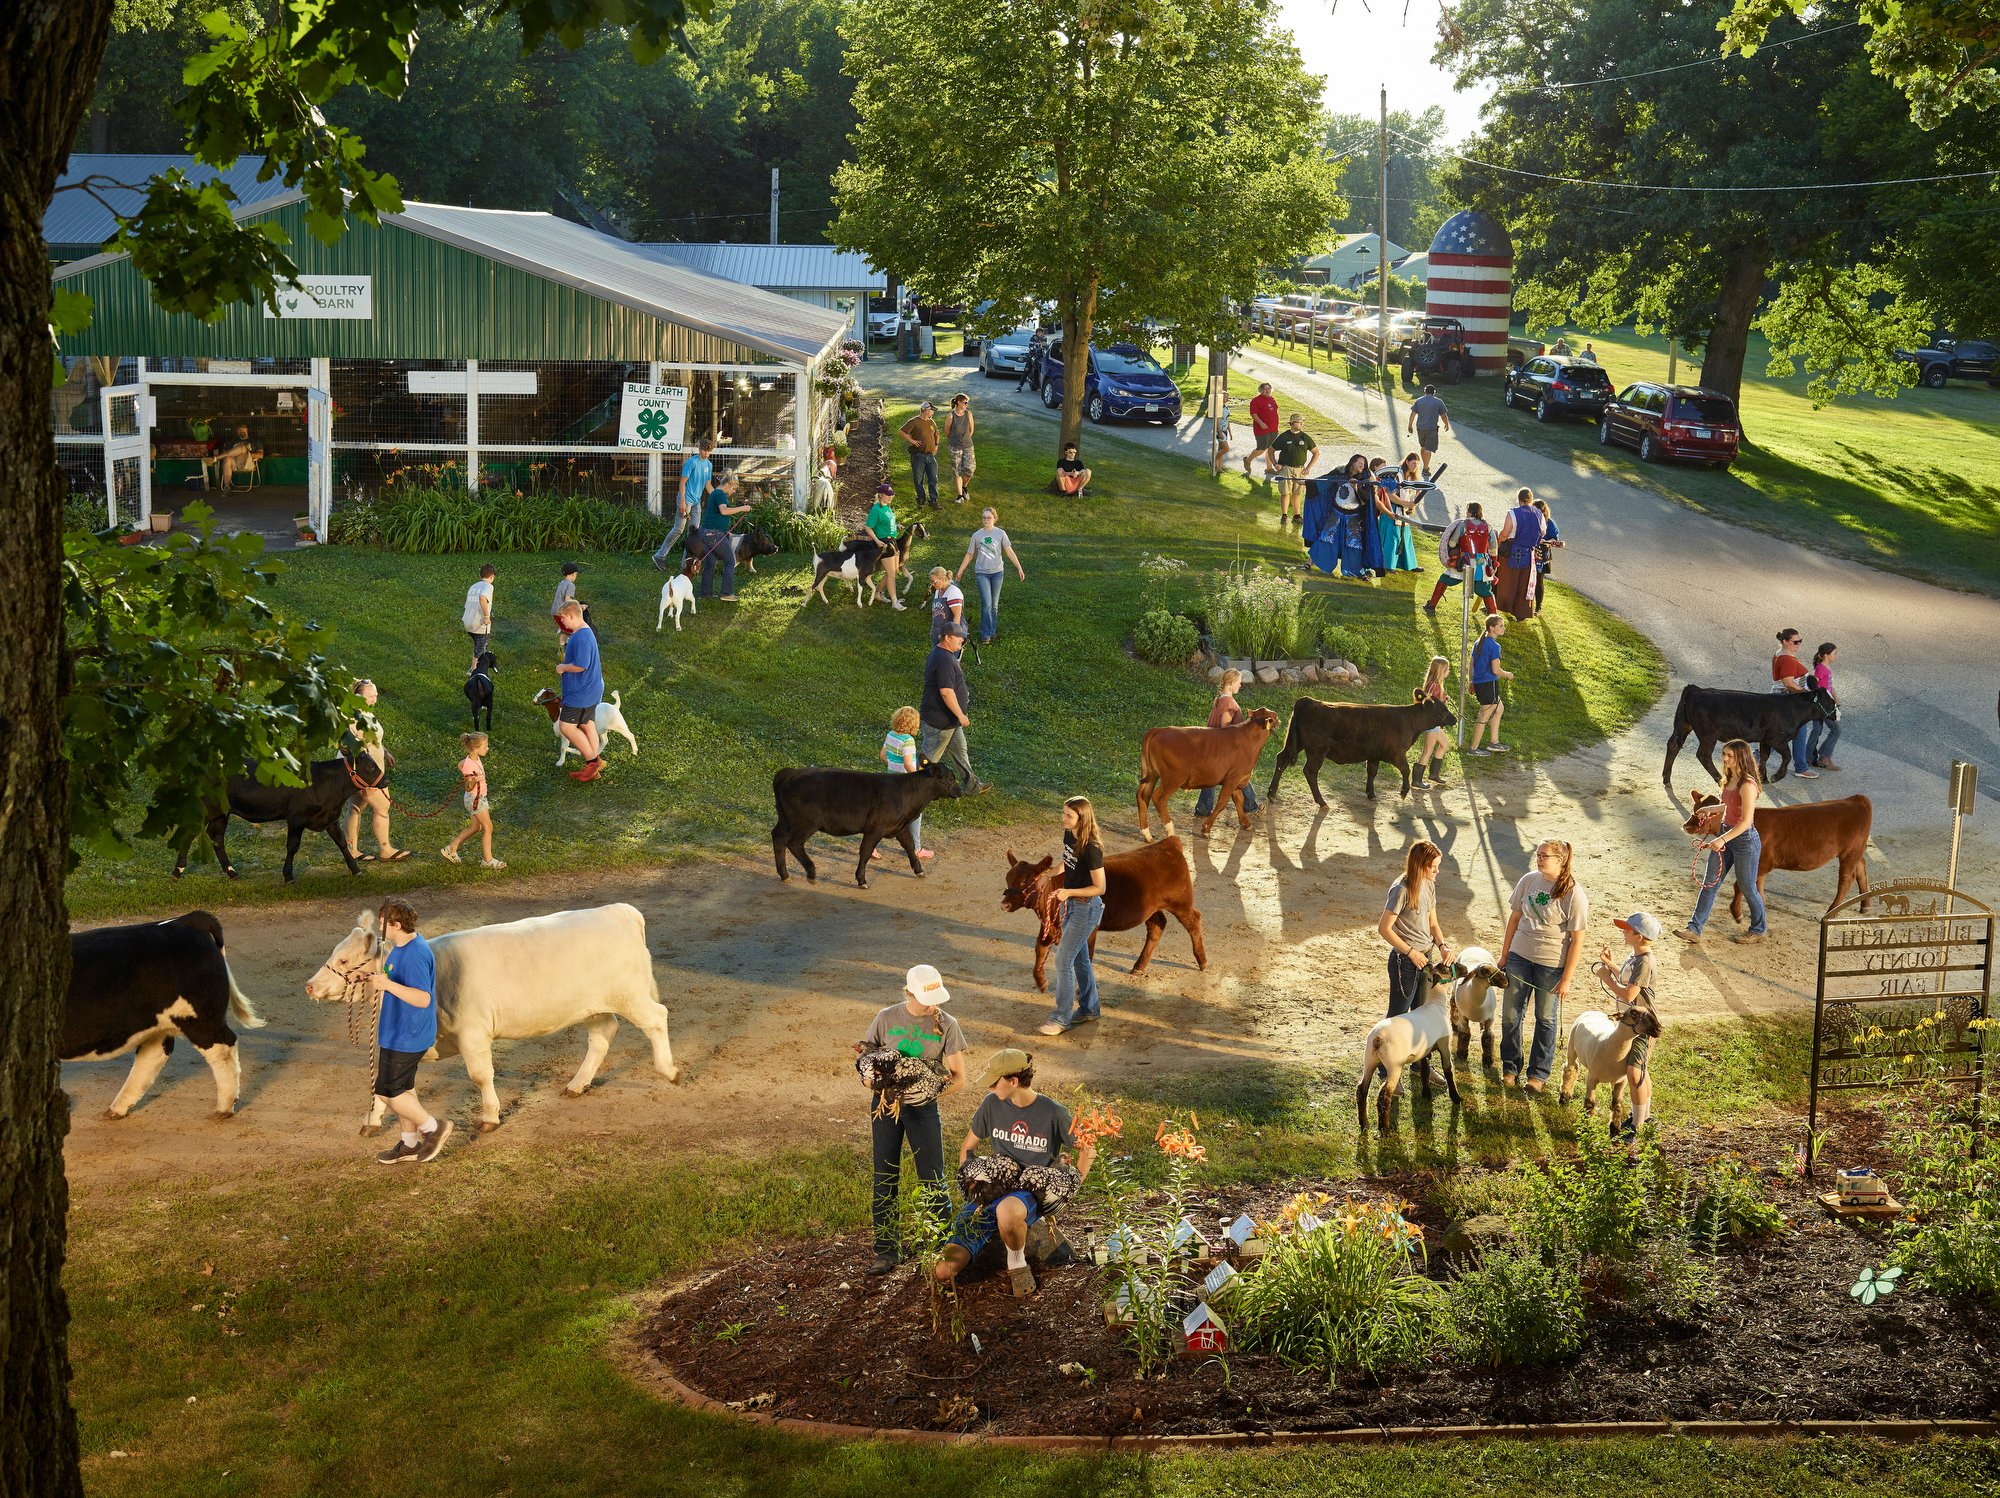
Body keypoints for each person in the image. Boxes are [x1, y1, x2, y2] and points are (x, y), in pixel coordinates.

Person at [941, 1048, 1096, 1298]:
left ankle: (1017, 1263)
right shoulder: (992, 1104)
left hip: (1027, 1193)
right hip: (992, 1189)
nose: (991, 1088)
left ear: (1013, 1081)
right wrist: (972, 1183)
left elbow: (1087, 1149)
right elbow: (968, 1147)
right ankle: (985, 1240)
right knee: (943, 1270)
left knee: (1007, 1210)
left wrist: (1069, 1185)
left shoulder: (1053, 1112)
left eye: (994, 1082)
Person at [858, 963, 966, 1274]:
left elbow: (958, 1078)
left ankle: (940, 1244)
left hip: (923, 1109)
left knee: (932, 1177)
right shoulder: (886, 1017)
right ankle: (887, 1251)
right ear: (909, 992)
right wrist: (872, 1083)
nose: (933, 1004)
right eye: (924, 997)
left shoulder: (947, 1024)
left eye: (935, 997)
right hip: (884, 1106)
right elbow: (867, 1058)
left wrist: (925, 1094)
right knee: (885, 1176)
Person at [368, 899, 453, 1164]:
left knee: (386, 1091)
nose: (379, 927)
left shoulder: (416, 953)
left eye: (382, 923)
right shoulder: (400, 945)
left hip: (409, 1034)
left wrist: (387, 986)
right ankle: (409, 1144)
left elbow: (422, 999)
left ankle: (433, 1129)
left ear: (397, 925)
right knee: (403, 1090)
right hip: (397, 1031)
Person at [1500, 839, 1589, 1092]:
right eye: (1538, 855)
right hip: (1520, 956)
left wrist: (1567, 979)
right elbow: (1514, 918)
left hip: (1551, 965)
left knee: (1545, 1018)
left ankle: (1537, 1075)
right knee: (1510, 1015)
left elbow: (1577, 940)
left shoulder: (1573, 893)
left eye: (1544, 856)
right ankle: (1510, 1066)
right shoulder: (1528, 880)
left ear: (1560, 860)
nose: (1539, 859)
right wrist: (1504, 955)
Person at [1679, 739, 1768, 945]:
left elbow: (1746, 821)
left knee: (1748, 888)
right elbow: (1728, 806)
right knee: (1710, 883)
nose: (1725, 758)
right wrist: (1710, 809)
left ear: (1741, 757)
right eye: (1724, 754)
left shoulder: (1747, 785)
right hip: (1727, 834)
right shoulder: (1730, 779)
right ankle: (1694, 929)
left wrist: (1721, 839)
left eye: (1729, 755)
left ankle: (1759, 928)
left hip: (1744, 840)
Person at [1038, 796, 1108, 1036]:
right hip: (1072, 906)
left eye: (1068, 815)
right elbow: (1068, 862)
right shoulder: (1070, 835)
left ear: (1082, 818)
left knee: (1062, 961)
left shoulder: (1091, 848)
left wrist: (1068, 892)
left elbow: (1100, 887)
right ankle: (1090, 1008)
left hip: (1086, 908)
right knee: (1079, 960)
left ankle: (1061, 1018)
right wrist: (1051, 873)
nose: (1063, 818)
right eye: (1064, 813)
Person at [1595, 912, 1662, 1139]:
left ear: (1639, 936)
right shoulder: (1635, 956)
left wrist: (1607, 979)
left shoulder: (1644, 962)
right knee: (1640, 1071)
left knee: (1635, 1074)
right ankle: (1645, 1116)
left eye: (1627, 929)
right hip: (1632, 1023)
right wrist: (1611, 965)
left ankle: (1637, 1125)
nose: (1623, 931)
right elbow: (1626, 978)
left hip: (1641, 1025)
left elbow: (1629, 992)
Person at [1379, 839, 1454, 1020]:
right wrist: (1411, 953)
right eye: (1433, 867)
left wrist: (1442, 946)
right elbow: (1384, 928)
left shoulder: (1429, 885)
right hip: (1405, 962)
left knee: (1421, 1016)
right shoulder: (1401, 890)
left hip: (1425, 958)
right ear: (1420, 865)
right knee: (1397, 1017)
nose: (1438, 871)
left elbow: (1433, 924)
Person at [341, 679, 409, 863]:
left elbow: (373, 737)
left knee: (355, 807)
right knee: (382, 807)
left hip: (371, 770)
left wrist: (385, 752)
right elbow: (347, 746)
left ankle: (352, 850)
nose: (375, 699)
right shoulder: (353, 718)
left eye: (376, 696)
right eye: (372, 696)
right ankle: (385, 849)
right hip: (365, 773)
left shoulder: (366, 714)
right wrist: (364, 774)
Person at [921, 621, 989, 793]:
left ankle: (972, 785)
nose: (962, 641)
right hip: (940, 720)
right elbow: (946, 692)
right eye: (959, 638)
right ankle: (913, 788)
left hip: (949, 721)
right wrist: (960, 715)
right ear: (947, 637)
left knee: (960, 750)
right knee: (929, 757)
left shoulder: (943, 654)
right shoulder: (944, 659)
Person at [1193, 670, 1263, 822]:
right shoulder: (1228, 703)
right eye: (1238, 682)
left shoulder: (1220, 700)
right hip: (1223, 750)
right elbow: (1225, 731)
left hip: (1212, 748)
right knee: (1239, 775)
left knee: (1211, 777)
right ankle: (1250, 806)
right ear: (1231, 684)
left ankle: (1203, 809)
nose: (1240, 685)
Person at [873, 706, 934, 863]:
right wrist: (917, 777)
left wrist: (893, 764)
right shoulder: (908, 741)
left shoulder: (891, 734)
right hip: (904, 783)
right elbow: (908, 764)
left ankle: (871, 845)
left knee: (886, 816)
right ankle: (917, 848)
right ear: (913, 724)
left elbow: (882, 755)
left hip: (890, 780)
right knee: (915, 813)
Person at [956, 507, 1026, 644]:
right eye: (984, 517)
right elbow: (970, 554)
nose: (986, 520)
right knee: (987, 603)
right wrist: (960, 570)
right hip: (982, 572)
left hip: (997, 573)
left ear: (994, 518)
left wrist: (1019, 567)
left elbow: (1009, 552)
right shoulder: (977, 535)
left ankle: (992, 631)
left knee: (994, 604)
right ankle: (985, 634)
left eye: (989, 517)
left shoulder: (1000, 534)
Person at [554, 599, 605, 782]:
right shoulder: (584, 632)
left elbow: (582, 665)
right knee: (587, 724)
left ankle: (593, 762)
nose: (562, 622)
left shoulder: (581, 637)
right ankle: (594, 767)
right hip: (591, 690)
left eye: (563, 619)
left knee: (566, 726)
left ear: (572, 616)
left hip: (581, 693)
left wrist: (563, 668)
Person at [439, 731, 503, 869]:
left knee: (476, 827)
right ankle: (487, 860)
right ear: (475, 748)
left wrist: (469, 773)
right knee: (488, 827)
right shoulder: (470, 764)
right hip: (475, 799)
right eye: (485, 746)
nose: (487, 748)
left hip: (477, 798)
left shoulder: (471, 759)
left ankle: (451, 849)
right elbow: (468, 787)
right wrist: (473, 780)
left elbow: (460, 764)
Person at [1425, 501, 1496, 616]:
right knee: (1485, 590)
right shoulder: (1488, 527)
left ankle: (1431, 605)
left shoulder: (1463, 525)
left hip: (1463, 561)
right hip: (1481, 564)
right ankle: (1493, 614)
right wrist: (1494, 563)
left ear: (1469, 512)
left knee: (1444, 579)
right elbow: (1493, 549)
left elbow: (1452, 543)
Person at [654, 436, 714, 567]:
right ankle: (659, 556)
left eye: (709, 451)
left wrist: (718, 496)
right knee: (678, 529)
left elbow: (708, 485)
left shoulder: (709, 465)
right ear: (700, 449)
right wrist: (682, 502)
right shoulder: (691, 462)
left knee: (694, 533)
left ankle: (686, 563)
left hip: (696, 502)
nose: (706, 453)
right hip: (685, 499)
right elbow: (682, 483)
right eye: (704, 450)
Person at [695, 472, 752, 603]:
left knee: (710, 563)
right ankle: (726, 593)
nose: (733, 492)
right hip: (714, 534)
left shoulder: (714, 493)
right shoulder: (720, 494)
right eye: (733, 488)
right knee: (730, 561)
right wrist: (743, 508)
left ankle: (705, 594)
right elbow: (724, 511)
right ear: (727, 484)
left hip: (705, 532)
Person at [1770, 628, 1818, 779]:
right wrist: (1807, 693)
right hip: (1791, 703)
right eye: (1795, 642)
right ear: (1785, 641)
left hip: (1783, 701)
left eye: (1800, 641)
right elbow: (1789, 683)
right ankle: (1801, 768)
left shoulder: (1780, 654)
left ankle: (1801, 766)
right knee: (1792, 733)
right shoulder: (1787, 659)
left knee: (1791, 733)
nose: (1798, 644)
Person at [1493, 487, 1544, 621]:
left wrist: (1499, 543)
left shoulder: (1513, 513)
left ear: (1518, 499)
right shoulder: (1539, 513)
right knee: (1523, 583)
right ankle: (1521, 613)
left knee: (1508, 582)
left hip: (1511, 551)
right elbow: (1543, 532)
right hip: (1528, 553)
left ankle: (1504, 606)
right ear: (1531, 499)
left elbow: (1505, 533)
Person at [1467, 614, 1514, 754]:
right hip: (1488, 684)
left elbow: (1471, 664)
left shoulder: (1479, 642)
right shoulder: (1494, 645)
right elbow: (1495, 669)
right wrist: (1508, 675)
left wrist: (1472, 681)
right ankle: (1473, 749)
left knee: (1499, 709)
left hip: (1481, 683)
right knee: (1483, 716)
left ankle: (1494, 742)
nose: (1503, 628)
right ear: (1492, 628)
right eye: (1501, 626)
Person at [1268, 413, 1318, 529]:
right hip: (1286, 468)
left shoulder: (1305, 437)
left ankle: (1297, 515)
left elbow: (1316, 452)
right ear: (1291, 423)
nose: (1301, 424)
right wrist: (1275, 464)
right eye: (1298, 422)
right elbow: (1271, 450)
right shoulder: (1284, 437)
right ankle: (1284, 515)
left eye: (1302, 422)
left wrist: (1308, 468)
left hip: (1300, 469)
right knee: (1285, 492)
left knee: (1297, 493)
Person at [1410, 655, 1453, 789]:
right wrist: (1444, 701)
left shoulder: (1434, 685)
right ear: (1440, 671)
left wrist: (1444, 697)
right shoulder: (1434, 686)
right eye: (1447, 670)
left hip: (1435, 724)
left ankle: (1434, 774)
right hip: (1432, 723)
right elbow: (1433, 705)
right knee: (1427, 751)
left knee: (1444, 744)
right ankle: (1416, 780)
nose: (1448, 672)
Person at [864, 480, 907, 611]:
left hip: (892, 541)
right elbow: (868, 527)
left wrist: (896, 526)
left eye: (891, 494)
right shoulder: (876, 510)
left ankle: (878, 593)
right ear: (881, 494)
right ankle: (894, 602)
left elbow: (888, 521)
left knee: (893, 571)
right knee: (891, 573)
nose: (890, 496)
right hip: (883, 543)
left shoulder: (887, 507)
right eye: (888, 494)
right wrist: (877, 541)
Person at [1373, 457, 1419, 572]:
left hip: (1403, 510)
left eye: (1417, 464)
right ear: (1407, 462)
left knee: (1405, 537)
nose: (1415, 466)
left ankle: (1409, 564)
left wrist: (1412, 503)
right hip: (1391, 508)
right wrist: (1406, 503)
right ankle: (1388, 565)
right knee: (1392, 537)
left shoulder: (1411, 477)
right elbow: (1389, 494)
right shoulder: (1396, 475)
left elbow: (1413, 494)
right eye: (1413, 463)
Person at [1808, 642, 1843, 772]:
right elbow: (1813, 685)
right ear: (1826, 655)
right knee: (1836, 731)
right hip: (1822, 706)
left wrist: (1836, 702)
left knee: (1817, 730)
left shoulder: (1826, 668)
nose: (1836, 656)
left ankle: (1810, 758)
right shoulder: (1820, 669)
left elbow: (1830, 687)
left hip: (1827, 704)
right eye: (1834, 653)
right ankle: (1824, 758)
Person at [899, 401, 941, 509]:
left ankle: (934, 501)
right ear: (926, 410)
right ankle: (921, 498)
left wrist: (936, 445)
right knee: (918, 479)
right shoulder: (914, 421)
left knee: (933, 478)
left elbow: (937, 434)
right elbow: (902, 431)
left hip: (931, 456)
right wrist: (912, 441)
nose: (933, 413)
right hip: (918, 456)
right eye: (932, 410)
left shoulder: (932, 422)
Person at [1407, 384, 1451, 478]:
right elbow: (1443, 415)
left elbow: (1413, 414)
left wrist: (1410, 425)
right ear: (1434, 392)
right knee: (1428, 449)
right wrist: (1446, 424)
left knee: (1423, 447)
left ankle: (1425, 465)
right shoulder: (1439, 402)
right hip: (1431, 428)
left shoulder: (1419, 401)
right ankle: (1425, 468)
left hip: (1420, 428)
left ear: (1425, 391)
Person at [1531, 497, 1564, 613]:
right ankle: (1525, 605)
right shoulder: (1530, 520)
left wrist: (1546, 541)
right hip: (1530, 553)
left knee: (1539, 580)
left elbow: (1555, 538)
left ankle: (1538, 607)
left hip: (1542, 555)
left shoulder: (1550, 523)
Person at [461, 563, 496, 668]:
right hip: (479, 623)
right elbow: (482, 598)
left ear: (480, 575)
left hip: (468, 621)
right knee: (480, 648)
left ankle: (479, 666)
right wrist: (486, 616)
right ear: (492, 576)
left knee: (478, 646)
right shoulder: (488, 586)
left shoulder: (473, 586)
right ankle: (473, 670)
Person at [1242, 381, 1280, 477]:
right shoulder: (1255, 400)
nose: (1267, 391)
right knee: (1261, 449)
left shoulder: (1272, 399)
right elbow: (1253, 413)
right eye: (1265, 389)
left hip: (1273, 428)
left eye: (1269, 389)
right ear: (1261, 390)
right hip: (1262, 429)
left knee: (1270, 449)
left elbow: (1274, 411)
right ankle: (1248, 460)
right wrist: (1261, 423)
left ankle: (1269, 468)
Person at [945, 393, 976, 504]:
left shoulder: (969, 414)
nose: (967, 405)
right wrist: (955, 441)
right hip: (955, 447)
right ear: (958, 402)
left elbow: (971, 430)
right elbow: (947, 432)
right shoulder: (951, 416)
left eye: (967, 403)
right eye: (965, 402)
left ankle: (964, 487)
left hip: (968, 446)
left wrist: (965, 439)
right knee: (957, 472)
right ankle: (959, 496)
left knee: (970, 469)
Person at [927, 566, 965, 645]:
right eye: (931, 581)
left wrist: (953, 637)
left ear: (943, 579)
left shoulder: (953, 592)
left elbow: (957, 616)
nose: (932, 584)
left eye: (934, 581)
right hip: (938, 632)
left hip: (948, 634)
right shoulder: (938, 591)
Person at [551, 561, 581, 634]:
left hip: (554, 611)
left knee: (564, 630)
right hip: (561, 613)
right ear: (573, 574)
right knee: (574, 630)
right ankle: (570, 643)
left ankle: (562, 640)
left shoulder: (562, 583)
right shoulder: (571, 585)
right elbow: (567, 600)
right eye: (576, 574)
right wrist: (578, 607)